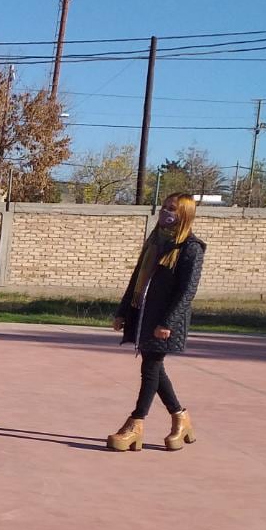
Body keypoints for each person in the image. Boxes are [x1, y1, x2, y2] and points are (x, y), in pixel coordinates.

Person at [108, 193, 206, 452]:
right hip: (144, 315)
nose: (165, 212)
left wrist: (167, 322)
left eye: (172, 209)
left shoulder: (191, 248)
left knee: (150, 368)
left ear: (184, 214)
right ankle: (181, 418)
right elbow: (136, 279)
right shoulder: (155, 242)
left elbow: (187, 292)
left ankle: (136, 423)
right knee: (155, 369)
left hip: (165, 321)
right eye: (164, 207)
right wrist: (122, 311)